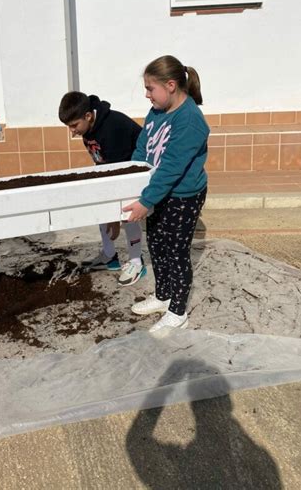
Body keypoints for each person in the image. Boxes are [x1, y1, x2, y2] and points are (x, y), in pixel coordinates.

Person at [123, 55, 209, 336]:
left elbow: (172, 167)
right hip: (159, 190)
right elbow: (142, 146)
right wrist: (131, 177)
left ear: (171, 85)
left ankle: (178, 312)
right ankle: (163, 297)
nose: (147, 95)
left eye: (150, 88)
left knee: (176, 252)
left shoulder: (190, 120)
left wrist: (146, 201)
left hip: (183, 196)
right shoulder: (157, 111)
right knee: (157, 245)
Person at [58, 91, 146, 286]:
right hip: (116, 171)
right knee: (99, 205)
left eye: (74, 125)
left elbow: (120, 173)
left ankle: (136, 261)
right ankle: (109, 255)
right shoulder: (89, 128)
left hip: (135, 171)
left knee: (127, 213)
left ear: (88, 116)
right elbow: (104, 165)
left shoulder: (111, 128)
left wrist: (114, 218)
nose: (72, 131)